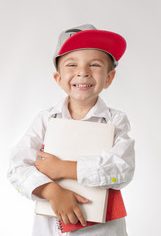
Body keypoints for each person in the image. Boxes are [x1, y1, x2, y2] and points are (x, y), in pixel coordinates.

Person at [7, 24, 135, 236]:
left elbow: (123, 168)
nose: (82, 72)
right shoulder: (46, 120)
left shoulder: (116, 121)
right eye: (71, 64)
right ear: (58, 78)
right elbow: (17, 166)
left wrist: (64, 168)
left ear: (109, 77)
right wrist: (52, 190)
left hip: (103, 230)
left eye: (94, 64)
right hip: (51, 228)